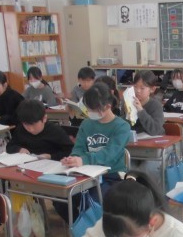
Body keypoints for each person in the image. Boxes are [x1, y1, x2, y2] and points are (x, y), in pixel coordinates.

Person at [53, 82, 130, 223]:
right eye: (88, 109)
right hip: (85, 174)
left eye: (93, 109)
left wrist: (83, 160)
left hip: (111, 176)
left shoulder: (122, 126)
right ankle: (80, 229)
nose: (90, 113)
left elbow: (110, 154)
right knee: (60, 199)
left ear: (107, 106)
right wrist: (73, 159)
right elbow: (79, 148)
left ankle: (92, 230)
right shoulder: (87, 124)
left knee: (92, 202)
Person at [6, 100, 73, 160]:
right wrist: (19, 149)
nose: (30, 129)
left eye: (33, 124)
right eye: (26, 124)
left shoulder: (55, 131)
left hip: (50, 164)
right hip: (27, 164)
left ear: (44, 118)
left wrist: (51, 156)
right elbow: (9, 146)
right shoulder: (21, 129)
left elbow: (70, 151)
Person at [127, 70, 165, 136]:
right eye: (135, 86)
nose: (138, 91)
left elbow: (156, 130)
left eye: (142, 88)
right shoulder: (129, 102)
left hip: (153, 140)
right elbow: (124, 126)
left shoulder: (156, 105)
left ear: (152, 89)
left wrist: (140, 110)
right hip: (134, 139)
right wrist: (127, 114)